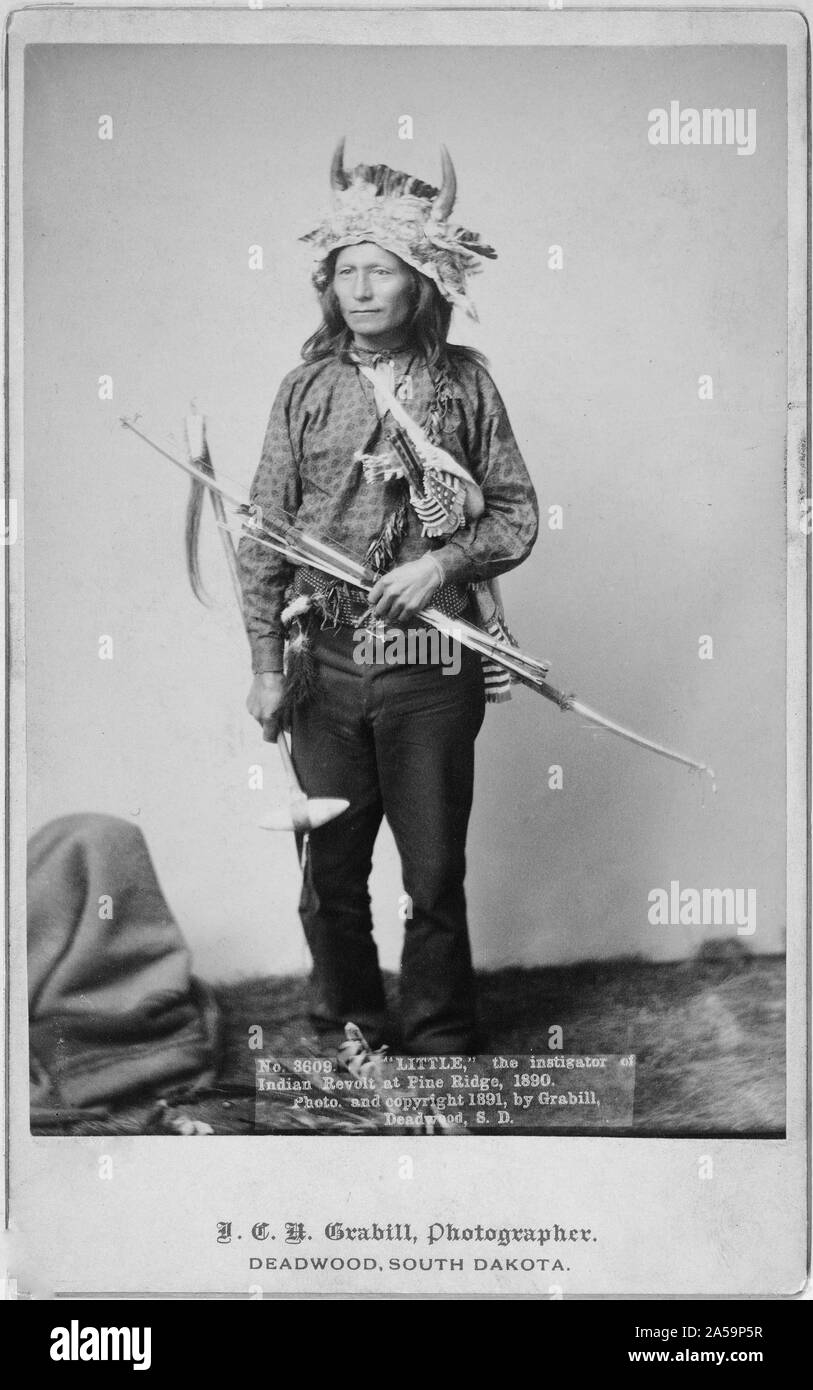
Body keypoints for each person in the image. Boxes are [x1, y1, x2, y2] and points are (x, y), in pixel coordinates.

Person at [237, 140, 539, 1055]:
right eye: (346, 272)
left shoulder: (465, 383)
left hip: (432, 663)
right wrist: (262, 665)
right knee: (329, 867)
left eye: (383, 271)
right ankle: (349, 1025)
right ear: (328, 287)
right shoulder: (306, 390)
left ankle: (441, 1034)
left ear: (422, 284)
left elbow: (517, 514)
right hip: (323, 666)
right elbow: (262, 533)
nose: (362, 289)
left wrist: (441, 566)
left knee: (433, 870)